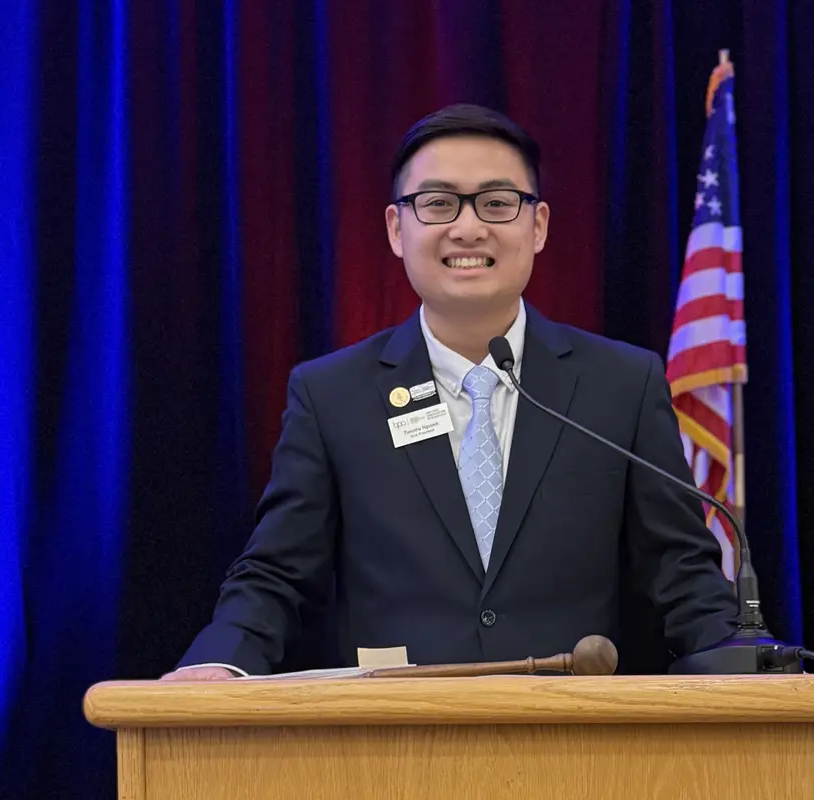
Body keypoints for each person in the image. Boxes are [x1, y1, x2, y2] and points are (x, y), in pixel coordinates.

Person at [164, 104, 736, 680]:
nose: (467, 228)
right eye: (438, 203)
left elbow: (682, 572)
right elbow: (276, 575)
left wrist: (749, 670)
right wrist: (219, 664)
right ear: (396, 228)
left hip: (579, 743)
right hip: (393, 746)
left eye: (497, 202)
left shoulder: (621, 384)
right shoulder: (331, 395)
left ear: (537, 226)